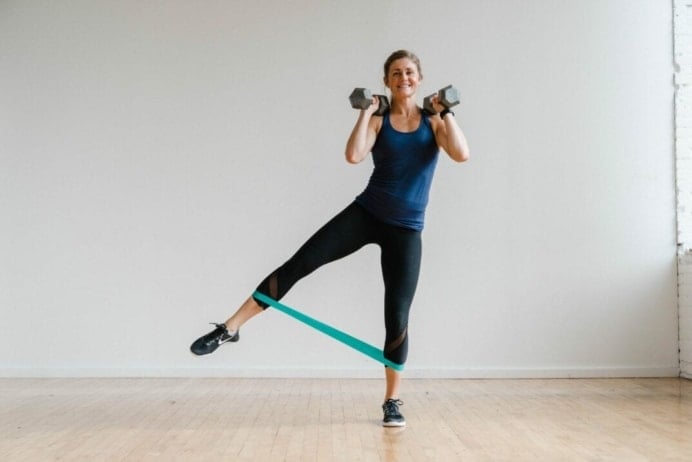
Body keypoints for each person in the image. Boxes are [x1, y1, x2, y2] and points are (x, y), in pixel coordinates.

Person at [190, 49, 470, 427]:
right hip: (366, 214)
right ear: (386, 81)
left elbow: (461, 154)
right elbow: (354, 156)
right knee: (300, 264)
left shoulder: (434, 122)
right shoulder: (379, 120)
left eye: (409, 72)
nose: (403, 78)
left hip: (406, 229)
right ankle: (229, 328)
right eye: (395, 73)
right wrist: (365, 113)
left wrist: (446, 112)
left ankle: (392, 400)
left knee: (397, 313)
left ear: (418, 79)